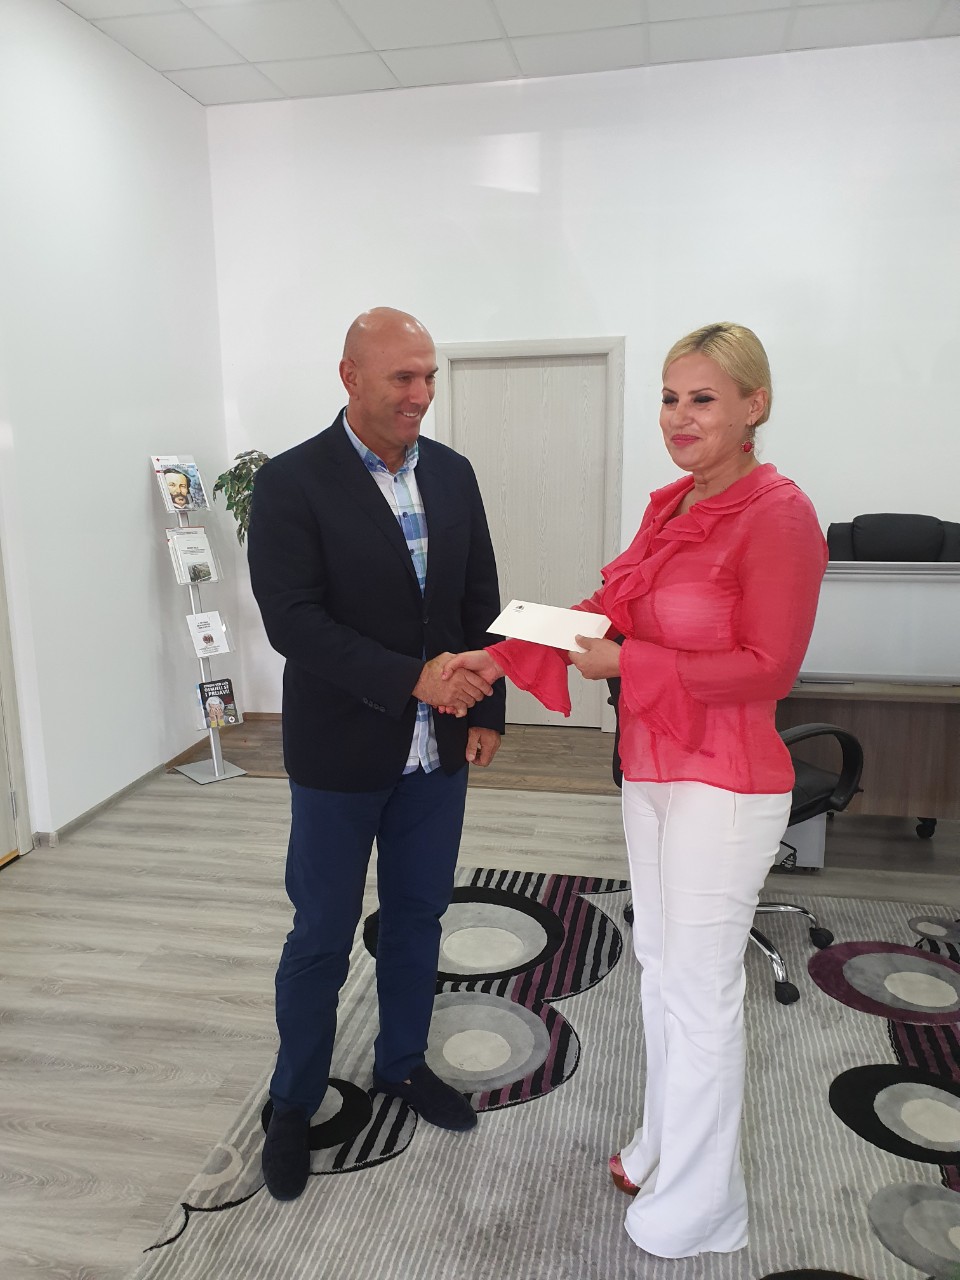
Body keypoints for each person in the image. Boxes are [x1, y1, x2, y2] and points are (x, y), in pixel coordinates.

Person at [442, 322, 827, 1258]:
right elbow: (603, 612)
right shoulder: (672, 507)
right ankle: (663, 1145)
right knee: (660, 966)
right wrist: (495, 657)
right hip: (653, 766)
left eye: (703, 399)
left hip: (724, 782)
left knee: (700, 990)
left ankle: (705, 1207)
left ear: (754, 406)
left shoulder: (777, 515)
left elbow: (769, 667)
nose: (679, 417)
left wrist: (631, 662)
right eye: (668, 397)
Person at [247, 307, 505, 1202]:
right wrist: (411, 680)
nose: (421, 394)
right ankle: (292, 1101)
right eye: (403, 377)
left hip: (438, 755)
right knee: (321, 933)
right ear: (350, 376)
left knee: (418, 917)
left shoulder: (454, 473)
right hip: (340, 752)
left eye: (429, 376)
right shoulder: (292, 482)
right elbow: (293, 621)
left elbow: (480, 598)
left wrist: (487, 706)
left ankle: (401, 1062)